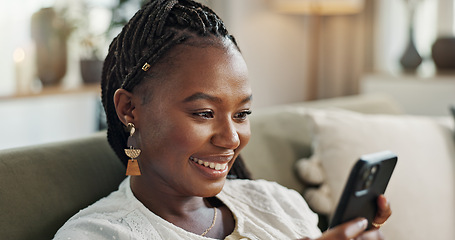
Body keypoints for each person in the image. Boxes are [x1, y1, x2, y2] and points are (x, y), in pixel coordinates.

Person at [54, 0, 391, 239]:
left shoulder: (279, 203)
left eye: (242, 114)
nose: (231, 139)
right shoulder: (97, 234)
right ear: (130, 110)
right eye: (204, 113)